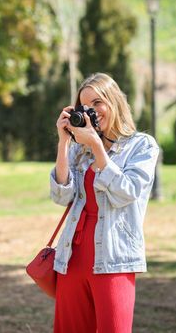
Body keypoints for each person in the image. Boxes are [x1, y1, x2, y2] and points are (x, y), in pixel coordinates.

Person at [50, 73, 159, 333]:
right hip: (72, 256)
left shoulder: (141, 146)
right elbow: (61, 196)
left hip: (114, 256)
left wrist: (98, 148)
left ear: (114, 102)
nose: (91, 111)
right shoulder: (79, 149)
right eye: (84, 106)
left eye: (97, 102)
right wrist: (64, 142)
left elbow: (127, 192)